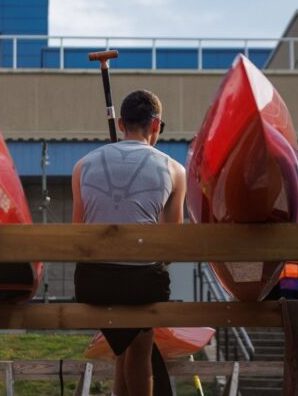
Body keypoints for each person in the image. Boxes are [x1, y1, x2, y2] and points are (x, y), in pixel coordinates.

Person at [72, 89, 186, 396]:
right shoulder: (175, 169)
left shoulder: (83, 165)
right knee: (139, 348)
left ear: (121, 123)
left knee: (125, 342)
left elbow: (77, 232)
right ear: (156, 125)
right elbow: (171, 244)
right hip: (142, 284)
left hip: (92, 284)